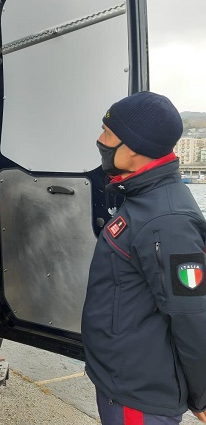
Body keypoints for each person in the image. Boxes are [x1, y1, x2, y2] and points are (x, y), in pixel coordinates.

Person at [82, 91, 206, 425]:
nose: (100, 140)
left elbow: (191, 315)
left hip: (140, 395)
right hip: (121, 379)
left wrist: (202, 395)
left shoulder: (167, 220)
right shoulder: (142, 198)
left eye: (108, 134)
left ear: (135, 147)